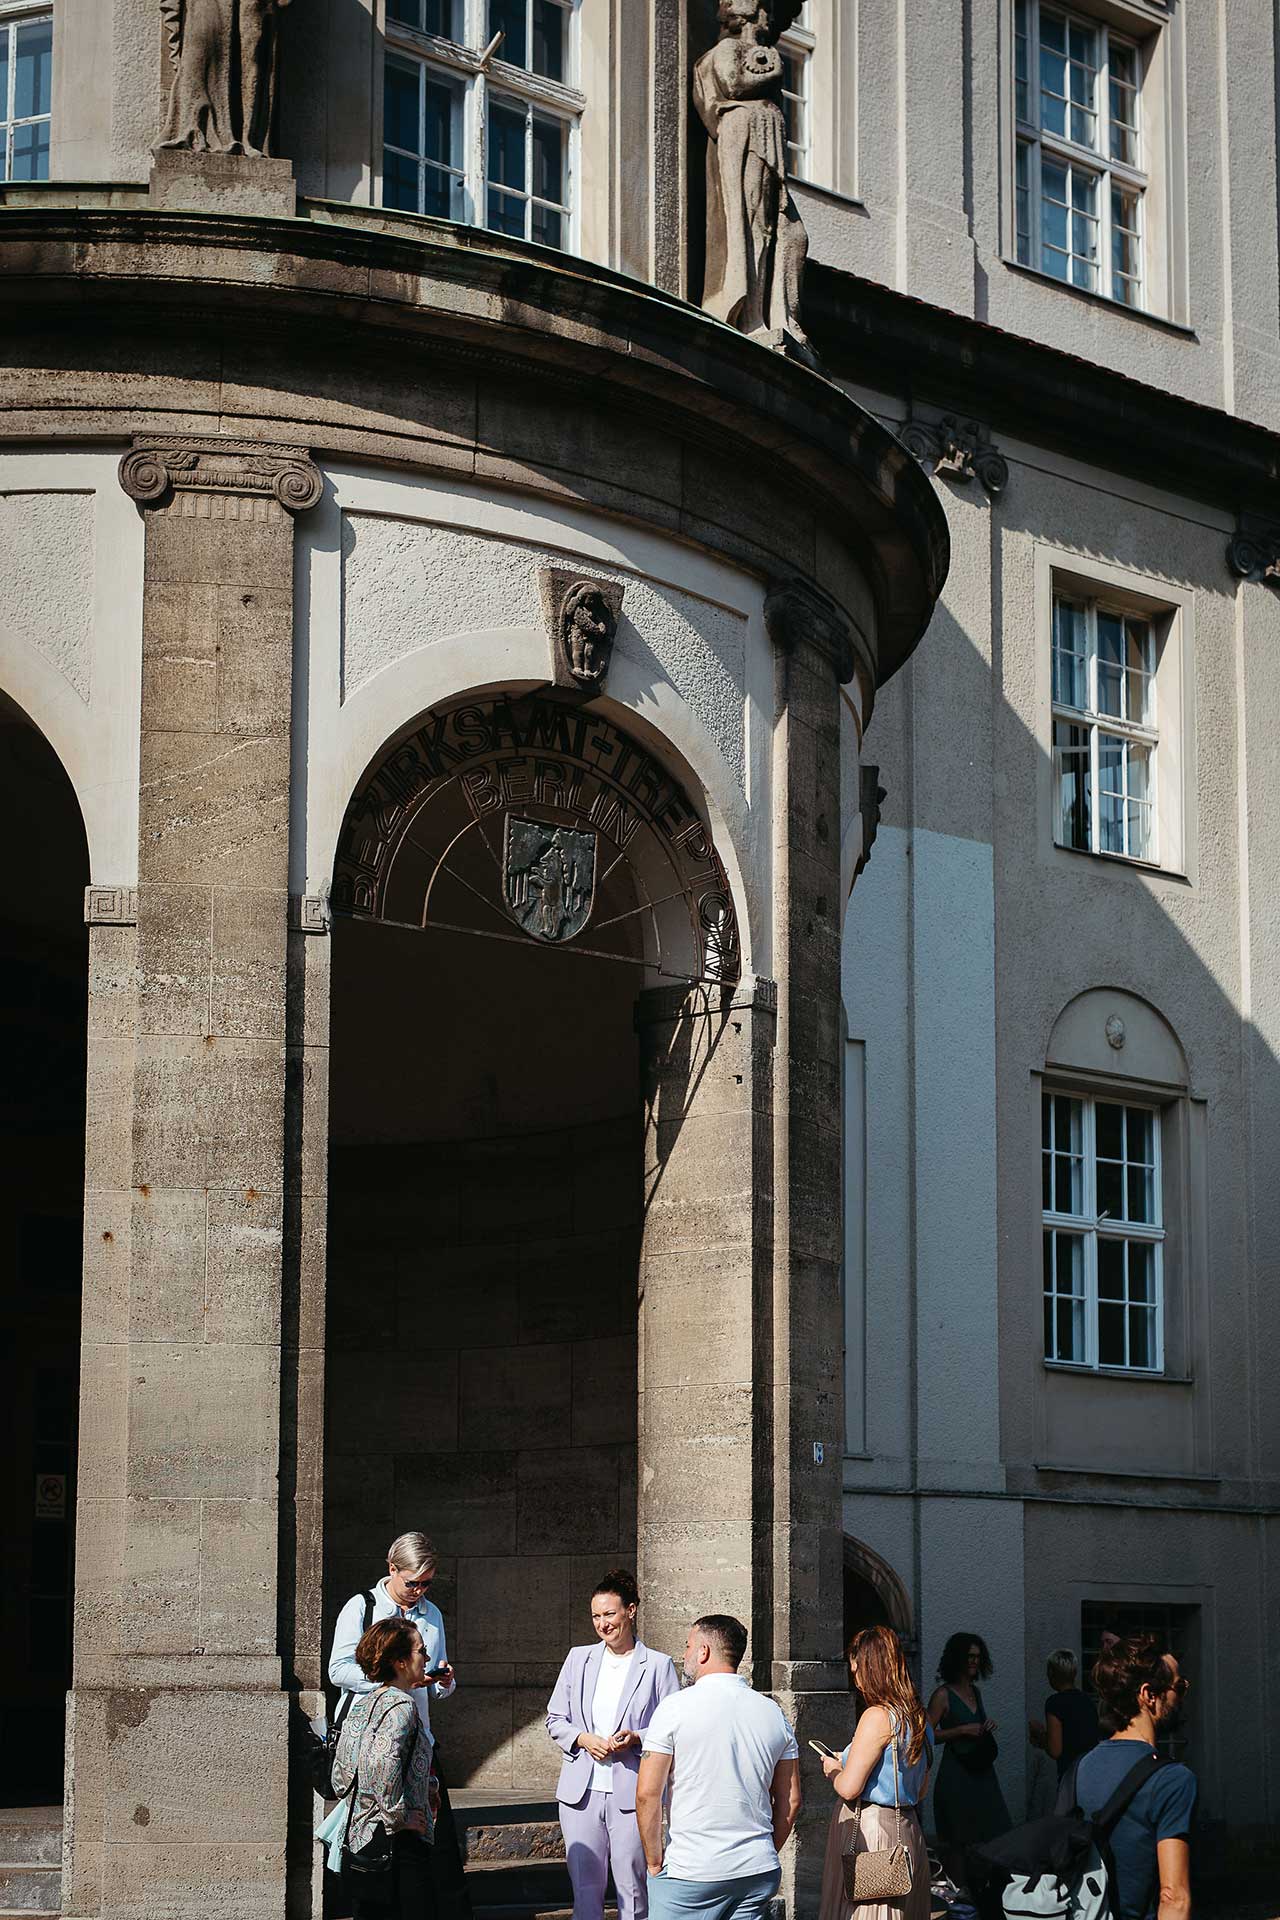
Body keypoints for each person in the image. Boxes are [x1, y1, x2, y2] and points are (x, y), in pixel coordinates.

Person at [329, 1531, 470, 1920]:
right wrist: (391, 1680)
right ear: (392, 1569)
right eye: (412, 1583)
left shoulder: (432, 1614)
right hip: (377, 1733)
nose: (419, 1591)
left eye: (427, 1583)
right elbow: (338, 1669)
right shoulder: (363, 1607)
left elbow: (438, 1681)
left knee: (438, 1846)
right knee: (380, 1840)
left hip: (419, 1736)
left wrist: (442, 1681)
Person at [636, 1613, 802, 1920]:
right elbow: (791, 1800)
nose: (684, 1654)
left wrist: (654, 1862)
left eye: (688, 1646)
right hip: (756, 1869)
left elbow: (647, 1794)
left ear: (703, 1652)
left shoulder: (674, 1708)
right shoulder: (773, 1713)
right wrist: (764, 1849)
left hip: (691, 1870)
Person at [546, 1568, 681, 1920]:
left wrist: (636, 1738)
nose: (602, 1623)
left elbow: (675, 1729)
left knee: (633, 1891)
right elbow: (555, 1719)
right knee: (585, 1891)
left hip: (633, 1791)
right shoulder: (579, 1659)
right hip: (580, 1793)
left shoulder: (658, 1665)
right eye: (596, 1616)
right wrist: (582, 1738)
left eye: (609, 1614)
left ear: (630, 1611)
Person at [1072, 1636, 1195, 1920]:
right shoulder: (1172, 1780)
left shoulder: (1079, 1769)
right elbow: (1173, 1897)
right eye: (1179, 1686)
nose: (1183, 1695)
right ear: (1149, 1695)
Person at [817, 1624, 934, 1920]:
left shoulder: (877, 1716)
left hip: (872, 1832)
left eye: (856, 1671)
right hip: (908, 1831)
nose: (855, 1680)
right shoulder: (919, 1718)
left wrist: (833, 1769)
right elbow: (921, 1789)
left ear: (870, 1668)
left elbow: (849, 1788)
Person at [331, 1617, 435, 1919]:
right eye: (421, 1651)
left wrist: (430, 1787)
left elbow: (341, 1775)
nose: (426, 1658)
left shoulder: (365, 1702)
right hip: (397, 1842)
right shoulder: (401, 1706)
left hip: (363, 1834)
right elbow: (381, 1761)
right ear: (401, 1661)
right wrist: (399, 1816)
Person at [926, 1632, 1010, 1877]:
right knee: (957, 1842)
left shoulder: (976, 1692)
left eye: (977, 1657)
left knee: (991, 1834)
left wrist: (985, 1726)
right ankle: (960, 1900)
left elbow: (976, 1726)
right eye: (970, 1657)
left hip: (981, 1773)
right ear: (957, 1659)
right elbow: (925, 1736)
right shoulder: (943, 1695)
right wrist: (961, 1730)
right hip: (956, 1776)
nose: (974, 1661)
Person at [1028, 1648, 1099, 1782]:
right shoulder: (1087, 1701)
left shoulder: (1055, 1703)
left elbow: (1055, 1750)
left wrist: (1040, 1735)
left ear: (1051, 1673)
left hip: (1070, 1776)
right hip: (1091, 1772)